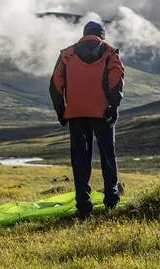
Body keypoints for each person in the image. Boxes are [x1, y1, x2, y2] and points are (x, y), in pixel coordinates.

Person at [49, 20, 124, 218]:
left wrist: (61, 111)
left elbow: (56, 84)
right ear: (102, 35)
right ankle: (111, 200)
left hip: (75, 114)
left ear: (84, 34)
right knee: (108, 155)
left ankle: (83, 206)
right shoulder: (109, 53)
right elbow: (116, 80)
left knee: (80, 159)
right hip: (103, 113)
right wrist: (113, 107)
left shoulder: (67, 54)